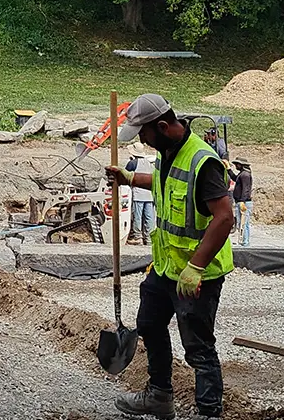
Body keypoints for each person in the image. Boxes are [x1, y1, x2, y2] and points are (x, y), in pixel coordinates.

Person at [105, 94, 235, 420]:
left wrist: (196, 266)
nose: (142, 141)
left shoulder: (203, 162)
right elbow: (166, 185)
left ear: (162, 126)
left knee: (199, 349)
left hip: (196, 274)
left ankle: (209, 412)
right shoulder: (168, 152)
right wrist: (131, 178)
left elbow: (224, 217)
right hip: (165, 268)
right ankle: (159, 396)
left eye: (144, 134)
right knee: (149, 323)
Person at [125, 143, 157, 245]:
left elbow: (125, 175)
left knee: (137, 216)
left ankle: (137, 236)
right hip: (149, 194)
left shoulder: (133, 163)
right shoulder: (149, 163)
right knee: (149, 216)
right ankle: (149, 238)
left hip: (138, 194)